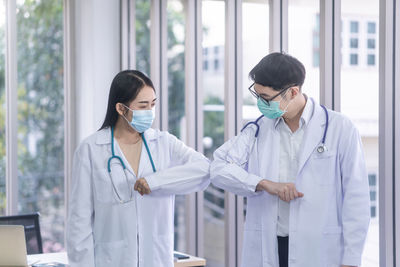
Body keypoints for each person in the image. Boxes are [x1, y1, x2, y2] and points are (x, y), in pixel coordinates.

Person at [210, 52, 370, 267]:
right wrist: (264, 184)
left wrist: (351, 259)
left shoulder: (339, 128)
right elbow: (218, 168)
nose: (261, 104)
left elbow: (356, 197)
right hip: (271, 245)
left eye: (266, 98)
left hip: (319, 248)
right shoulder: (257, 129)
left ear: (293, 91)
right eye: (257, 96)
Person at [67, 70, 210, 267]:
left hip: (156, 259)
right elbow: (79, 222)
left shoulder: (163, 142)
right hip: (111, 260)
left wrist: (156, 181)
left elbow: (204, 169)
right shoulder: (91, 149)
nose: (150, 112)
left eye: (153, 104)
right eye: (143, 106)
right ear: (120, 108)